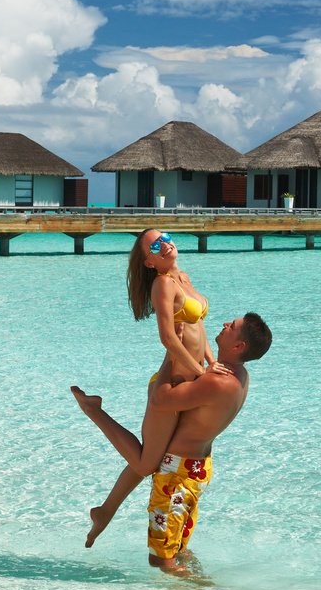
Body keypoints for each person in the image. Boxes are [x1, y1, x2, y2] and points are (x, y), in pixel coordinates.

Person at [72, 314, 272, 576]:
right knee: (177, 550)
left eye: (232, 327)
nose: (225, 324)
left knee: (163, 562)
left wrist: (170, 355)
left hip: (176, 475)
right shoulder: (239, 375)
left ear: (239, 346)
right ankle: (202, 588)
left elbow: (160, 400)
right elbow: (200, 330)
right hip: (194, 469)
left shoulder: (217, 382)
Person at [75, 228, 228, 548]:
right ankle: (93, 410)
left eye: (166, 237)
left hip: (190, 382)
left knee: (151, 456)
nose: (166, 244)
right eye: (156, 245)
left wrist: (211, 365)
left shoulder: (183, 277)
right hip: (172, 386)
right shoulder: (163, 284)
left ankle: (104, 511)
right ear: (149, 263)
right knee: (147, 463)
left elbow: (199, 327)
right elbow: (168, 338)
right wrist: (201, 371)